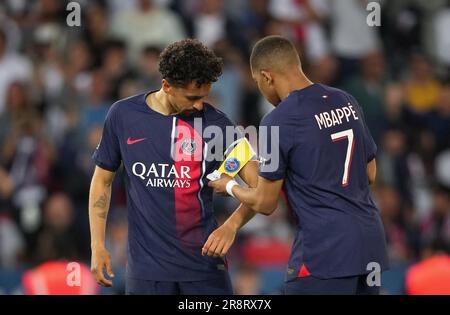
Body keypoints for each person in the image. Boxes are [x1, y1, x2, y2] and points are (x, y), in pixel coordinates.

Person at [207, 35, 389, 295]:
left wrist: (231, 185)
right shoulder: (345, 99)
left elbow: (266, 203)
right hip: (370, 243)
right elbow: (370, 173)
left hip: (325, 249)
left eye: (258, 82)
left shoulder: (277, 120)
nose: (261, 89)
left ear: (267, 76)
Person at [89, 39, 258, 295]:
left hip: (204, 270)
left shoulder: (218, 125)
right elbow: (102, 181)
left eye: (205, 96)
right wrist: (98, 245)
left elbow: (261, 185)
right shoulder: (122, 116)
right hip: (146, 273)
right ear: (166, 85)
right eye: (192, 97)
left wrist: (231, 226)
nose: (200, 105)